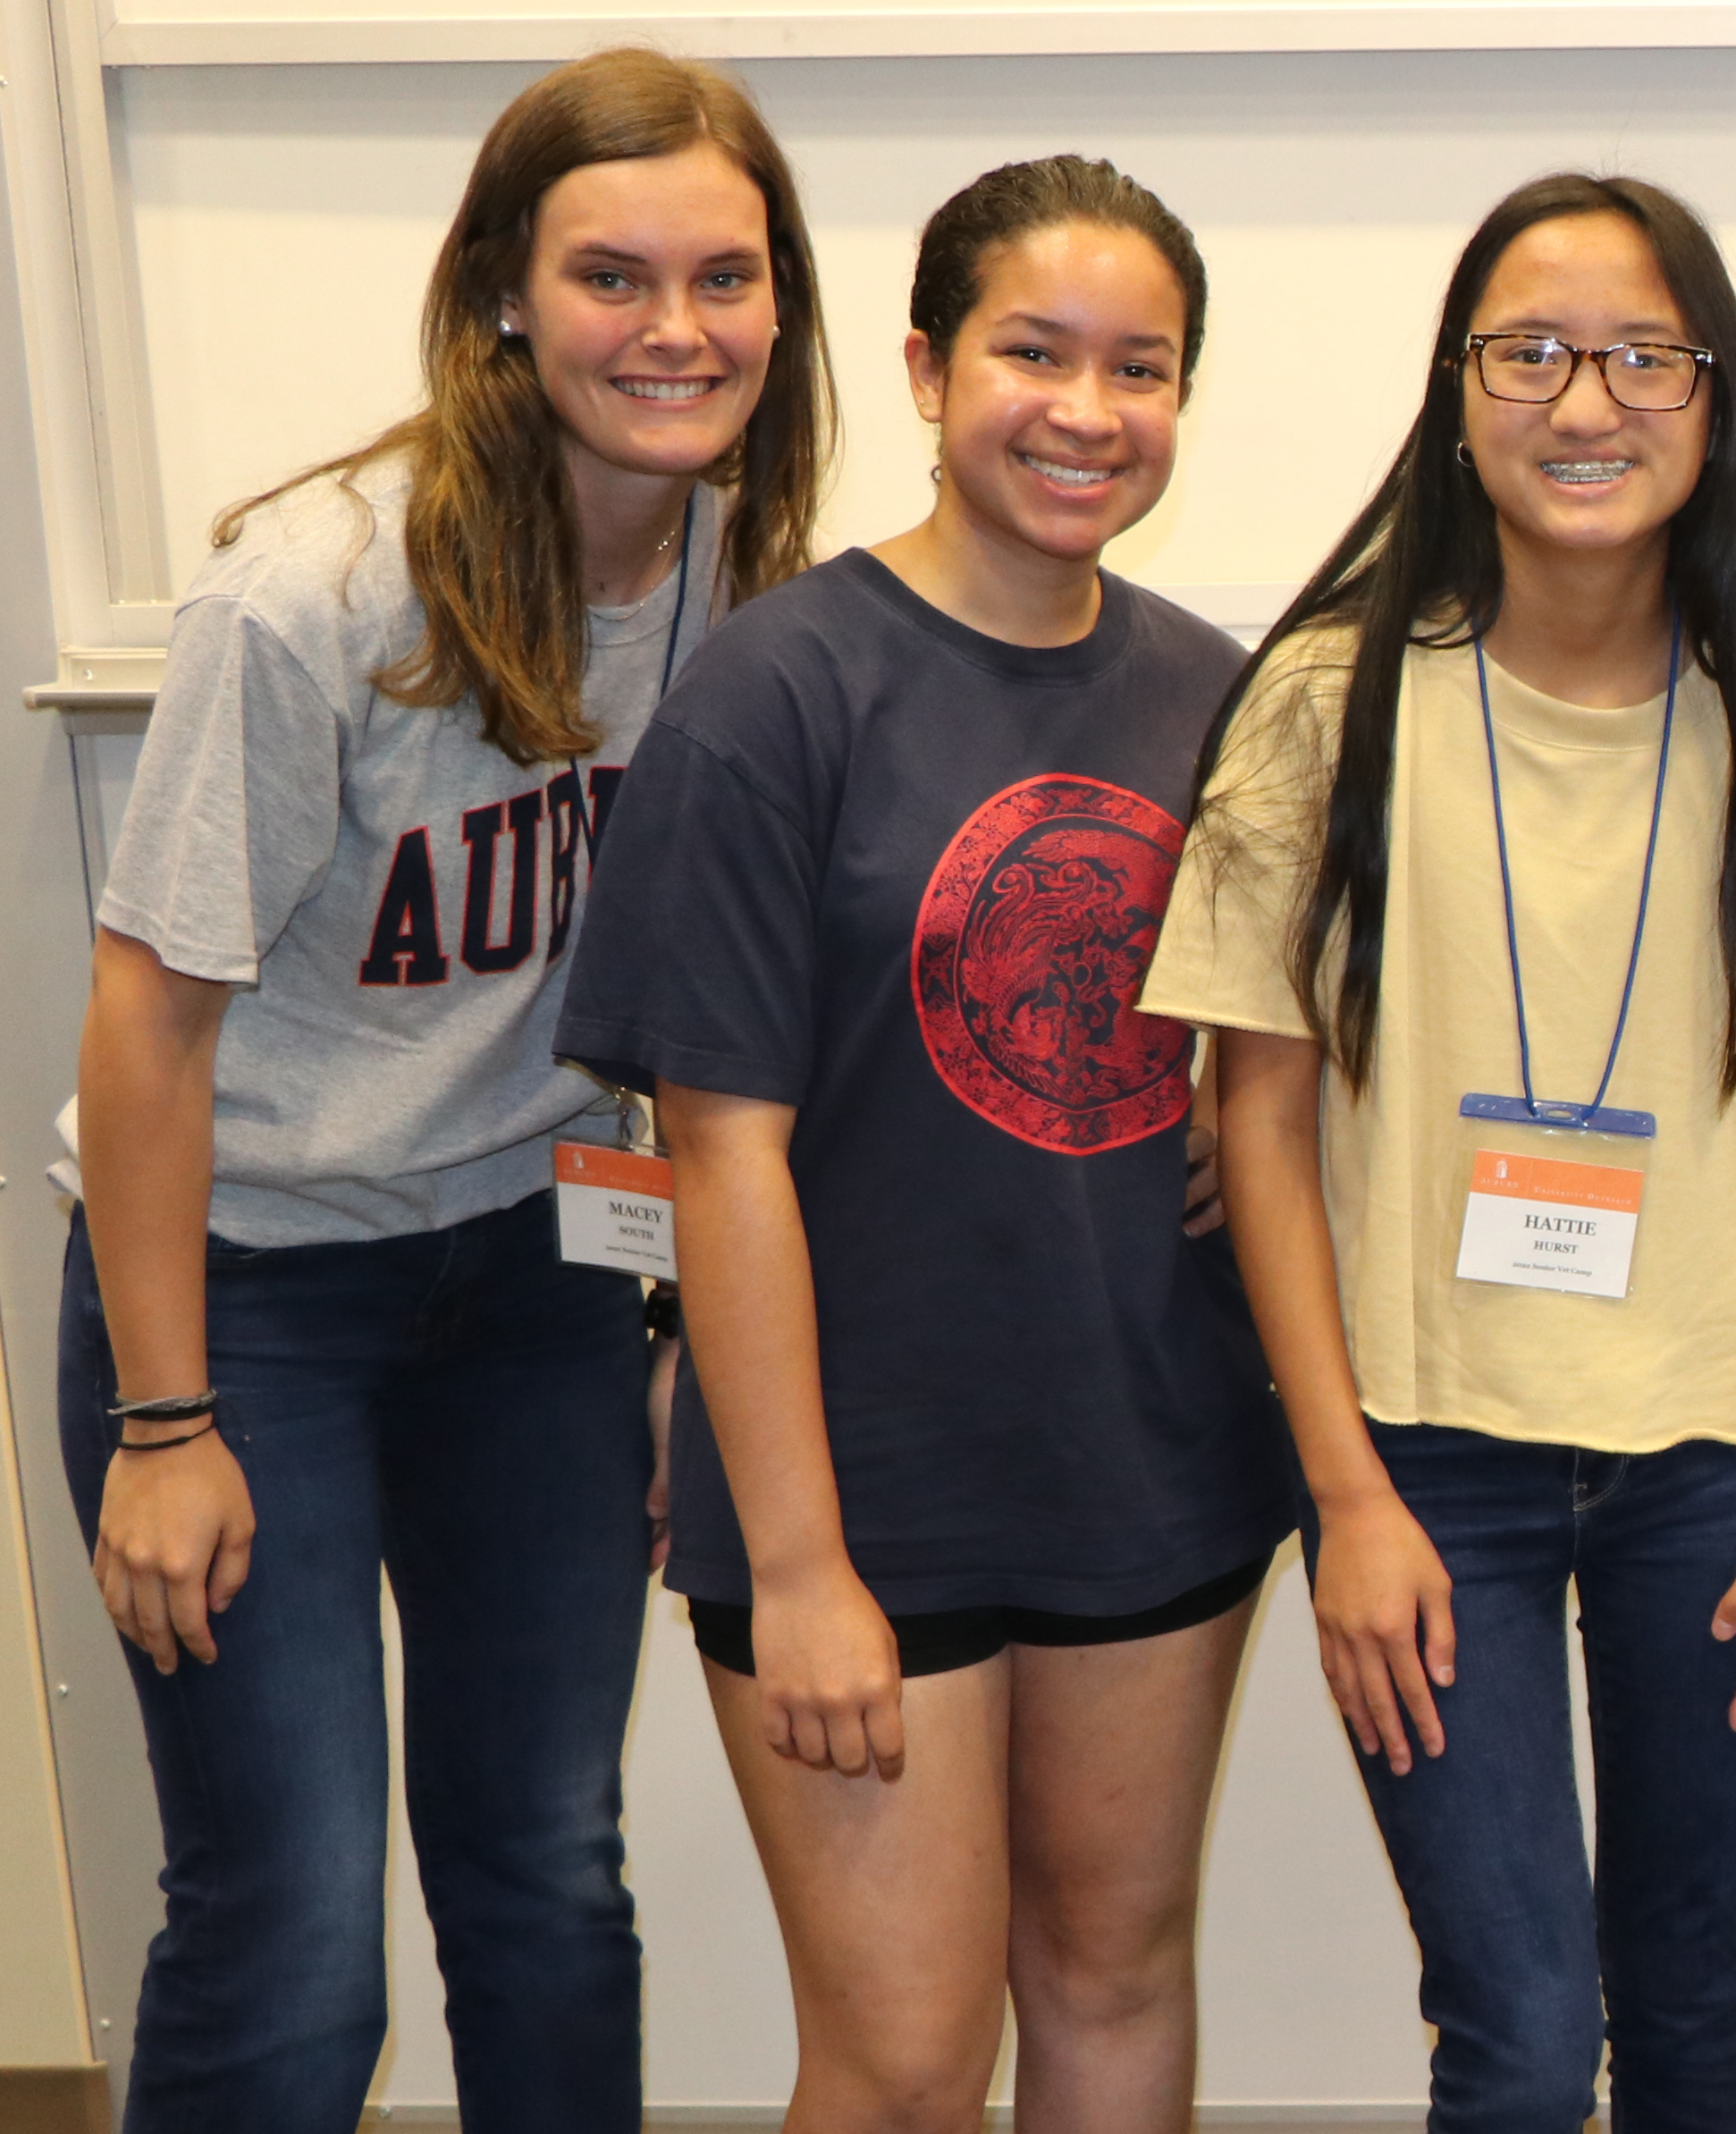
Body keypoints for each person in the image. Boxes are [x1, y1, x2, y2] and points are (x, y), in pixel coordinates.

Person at [49, 46, 818, 2130]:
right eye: (613, 277)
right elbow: (148, 1026)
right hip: (254, 1295)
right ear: (501, 292)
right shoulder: (314, 597)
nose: (677, 331)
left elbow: (683, 1008)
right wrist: (166, 1415)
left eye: (726, 278)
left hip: (539, 1282)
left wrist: (663, 1322)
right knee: (291, 1937)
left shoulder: (750, 578)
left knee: (549, 1878)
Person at [1139, 173, 1736, 2134]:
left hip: (1723, 1476)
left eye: (1647, 355)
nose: (1590, 402)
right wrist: (1349, 1498)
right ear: (1460, 396)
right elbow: (1263, 1122)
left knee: (1691, 2001)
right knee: (1515, 2021)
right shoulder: (1325, 707)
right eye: (1533, 353)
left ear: (1720, 401)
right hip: (1427, 1465)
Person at [552, 156, 1294, 2133]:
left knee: (1114, 1981)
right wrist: (796, 1567)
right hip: (857, 1492)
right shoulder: (773, 697)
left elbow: (1268, 1047)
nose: (1086, 409)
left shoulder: (1214, 695)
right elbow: (719, 1156)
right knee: (898, 2056)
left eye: (1141, 368)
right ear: (922, 364)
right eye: (1031, 353)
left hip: (1148, 1458)